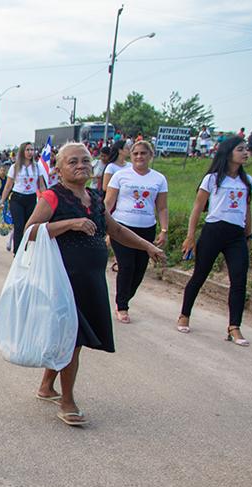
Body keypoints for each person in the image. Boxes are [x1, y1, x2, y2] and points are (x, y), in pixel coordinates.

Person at [25, 142, 164, 427]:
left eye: (85, 161)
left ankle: (46, 387)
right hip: (64, 280)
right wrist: (70, 224)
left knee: (73, 338)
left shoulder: (96, 199)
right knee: (72, 339)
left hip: (91, 281)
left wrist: (147, 246)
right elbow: (30, 231)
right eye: (73, 161)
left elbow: (115, 230)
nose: (81, 166)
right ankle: (67, 401)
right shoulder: (53, 197)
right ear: (59, 169)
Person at [177, 136, 252, 346]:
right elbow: (197, 208)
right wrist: (190, 236)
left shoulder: (247, 182)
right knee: (200, 275)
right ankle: (184, 314)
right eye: (240, 149)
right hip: (213, 232)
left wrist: (249, 235)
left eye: (246, 149)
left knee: (239, 280)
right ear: (228, 153)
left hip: (236, 236)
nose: (245, 152)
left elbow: (248, 210)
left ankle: (234, 327)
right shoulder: (212, 179)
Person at [103, 140, 169, 323]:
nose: (139, 157)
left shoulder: (159, 179)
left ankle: (124, 298)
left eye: (143, 153)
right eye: (135, 154)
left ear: (150, 156)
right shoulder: (120, 176)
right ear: (131, 156)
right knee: (127, 266)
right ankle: (122, 306)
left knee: (140, 268)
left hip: (147, 227)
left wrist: (164, 230)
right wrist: (104, 224)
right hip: (122, 226)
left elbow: (162, 207)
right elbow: (108, 203)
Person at [0, 141, 44, 253]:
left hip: (31, 198)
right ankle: (17, 252)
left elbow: (41, 185)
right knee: (19, 226)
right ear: (22, 152)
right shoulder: (15, 167)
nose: (30, 152)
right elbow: (8, 186)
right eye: (27, 150)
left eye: (32, 150)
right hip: (17, 199)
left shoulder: (37, 167)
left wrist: (45, 199)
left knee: (29, 226)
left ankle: (27, 251)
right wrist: (2, 201)